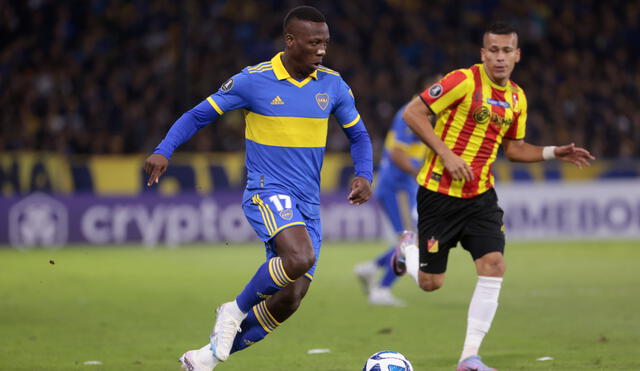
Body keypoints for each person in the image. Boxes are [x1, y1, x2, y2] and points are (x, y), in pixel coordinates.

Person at [143, 6, 373, 371]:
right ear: (290, 40)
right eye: (314, 43)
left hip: (307, 202)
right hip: (267, 190)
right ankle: (232, 310)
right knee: (299, 258)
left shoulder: (332, 85)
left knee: (290, 298)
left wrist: (364, 174)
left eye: (325, 43)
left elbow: (358, 134)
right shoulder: (253, 81)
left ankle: (203, 358)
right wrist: (164, 149)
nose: (322, 50)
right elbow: (199, 114)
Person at [392, 22, 595, 371]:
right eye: (494, 51)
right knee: (430, 283)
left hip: (480, 196)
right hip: (438, 194)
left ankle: (469, 357)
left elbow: (514, 149)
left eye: (506, 51)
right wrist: (447, 155)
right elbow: (413, 113)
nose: (500, 58)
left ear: (517, 55)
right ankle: (408, 250)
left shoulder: (517, 98)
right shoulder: (462, 81)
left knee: (493, 265)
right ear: (483, 54)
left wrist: (551, 152)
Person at [353, 74, 439, 307]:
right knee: (410, 240)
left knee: (412, 239)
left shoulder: (426, 114)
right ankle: (381, 289)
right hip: (396, 187)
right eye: (437, 87)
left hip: (404, 186)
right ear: (427, 89)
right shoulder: (410, 113)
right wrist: (419, 173)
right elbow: (396, 153)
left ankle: (371, 268)